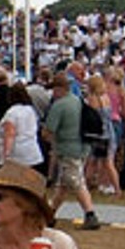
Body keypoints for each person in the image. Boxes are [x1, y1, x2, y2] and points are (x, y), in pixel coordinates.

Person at [44, 75, 103, 230]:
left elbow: (48, 130)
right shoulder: (78, 101)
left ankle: (90, 214)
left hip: (67, 148)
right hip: (82, 147)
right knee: (63, 184)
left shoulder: (59, 105)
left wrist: (50, 142)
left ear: (59, 89)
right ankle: (49, 214)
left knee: (76, 182)